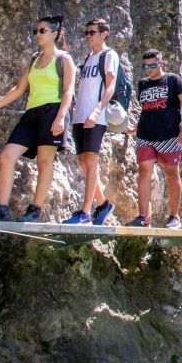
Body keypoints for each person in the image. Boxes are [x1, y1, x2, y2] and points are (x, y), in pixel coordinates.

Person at [0, 16, 75, 222]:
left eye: (42, 31)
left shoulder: (64, 59)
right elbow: (19, 89)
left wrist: (60, 117)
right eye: (36, 31)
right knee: (7, 156)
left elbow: (68, 91)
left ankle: (34, 210)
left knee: (44, 161)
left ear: (55, 34)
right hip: (31, 113)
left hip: (53, 111)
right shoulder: (34, 59)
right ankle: (1, 209)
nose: (38, 34)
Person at [127, 49, 182, 228]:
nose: (149, 69)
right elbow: (147, 109)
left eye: (152, 65)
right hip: (145, 136)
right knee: (144, 172)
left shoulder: (173, 80)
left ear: (160, 63)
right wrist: (135, 128)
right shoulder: (143, 83)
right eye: (146, 66)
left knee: (171, 173)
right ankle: (142, 217)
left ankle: (174, 216)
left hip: (169, 136)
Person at [66, 17, 118, 225]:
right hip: (79, 116)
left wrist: (97, 111)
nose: (88, 36)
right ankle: (102, 204)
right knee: (82, 162)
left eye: (92, 32)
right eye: (86, 32)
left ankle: (85, 213)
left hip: (95, 116)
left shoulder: (109, 55)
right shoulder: (88, 58)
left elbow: (110, 86)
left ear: (104, 34)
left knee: (90, 160)